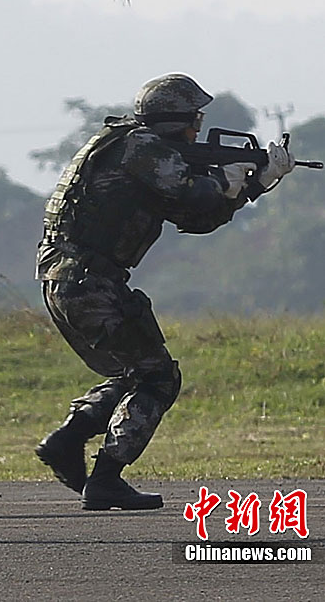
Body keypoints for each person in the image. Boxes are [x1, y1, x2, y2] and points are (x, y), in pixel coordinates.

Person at [34, 73, 295, 510]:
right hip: (87, 280)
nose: (197, 129)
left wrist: (254, 184)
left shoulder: (130, 150)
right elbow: (196, 195)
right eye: (195, 120)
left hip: (75, 279)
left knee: (139, 372)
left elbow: (197, 218)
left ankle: (69, 440)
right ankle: (105, 478)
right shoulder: (142, 148)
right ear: (175, 121)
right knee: (158, 378)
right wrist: (227, 181)